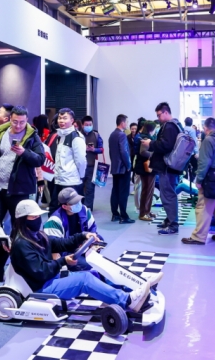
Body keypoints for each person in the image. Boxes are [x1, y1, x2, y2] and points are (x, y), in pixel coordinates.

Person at [10, 200, 158, 313]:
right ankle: (127, 300)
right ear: (23, 219)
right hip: (41, 287)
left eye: (38, 216)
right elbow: (41, 272)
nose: (38, 219)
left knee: (96, 272)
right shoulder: (22, 244)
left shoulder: (38, 236)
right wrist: (63, 261)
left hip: (51, 278)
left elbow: (61, 243)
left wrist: (82, 236)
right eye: (34, 217)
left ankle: (134, 288)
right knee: (84, 280)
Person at [0, 106, 46, 225]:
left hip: (19, 190)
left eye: (22, 122)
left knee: (18, 225)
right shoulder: (0, 133)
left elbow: (40, 160)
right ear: (10, 119)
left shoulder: (32, 137)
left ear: (27, 120)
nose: (18, 125)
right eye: (15, 122)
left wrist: (24, 152)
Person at [183, 117, 215, 245]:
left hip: (210, 178)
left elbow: (204, 162)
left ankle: (198, 236)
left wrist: (199, 179)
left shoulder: (208, 140)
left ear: (205, 128)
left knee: (203, 206)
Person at [141, 102, 184, 235]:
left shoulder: (169, 126)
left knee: (168, 195)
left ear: (166, 112)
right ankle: (169, 220)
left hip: (167, 167)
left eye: (159, 115)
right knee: (168, 194)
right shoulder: (176, 125)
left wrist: (150, 143)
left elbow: (166, 145)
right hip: (172, 166)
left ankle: (173, 224)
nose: (158, 118)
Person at [44, 188, 100, 270]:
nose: (78, 203)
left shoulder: (84, 210)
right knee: (87, 265)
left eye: (78, 200)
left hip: (82, 245)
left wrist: (91, 241)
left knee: (100, 241)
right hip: (67, 252)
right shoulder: (54, 222)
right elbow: (54, 247)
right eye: (74, 202)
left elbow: (92, 227)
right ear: (64, 206)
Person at [48, 108, 86, 214]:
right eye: (60, 118)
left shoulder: (76, 137)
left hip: (71, 181)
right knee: (55, 209)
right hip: (58, 180)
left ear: (72, 120)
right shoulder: (60, 136)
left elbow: (81, 161)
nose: (61, 121)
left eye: (65, 118)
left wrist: (80, 176)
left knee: (71, 212)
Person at [109, 114, 133, 223]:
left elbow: (111, 152)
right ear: (122, 123)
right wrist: (128, 165)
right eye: (126, 122)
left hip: (115, 167)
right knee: (123, 193)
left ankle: (115, 214)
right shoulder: (122, 135)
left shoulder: (112, 135)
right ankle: (124, 216)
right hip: (123, 168)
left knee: (115, 191)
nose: (127, 124)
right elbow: (124, 152)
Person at [133, 122, 157, 221]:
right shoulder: (146, 138)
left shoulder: (145, 137)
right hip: (146, 168)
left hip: (147, 168)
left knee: (149, 191)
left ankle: (147, 211)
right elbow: (143, 152)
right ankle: (143, 213)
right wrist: (154, 154)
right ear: (152, 129)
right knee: (146, 191)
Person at [81, 115, 103, 210]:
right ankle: (80, 207)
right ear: (82, 125)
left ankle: (88, 209)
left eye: (90, 124)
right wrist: (83, 148)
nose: (88, 126)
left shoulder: (96, 135)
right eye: (86, 124)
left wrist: (94, 149)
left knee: (90, 188)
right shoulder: (78, 135)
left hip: (92, 166)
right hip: (80, 166)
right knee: (79, 188)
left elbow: (101, 149)